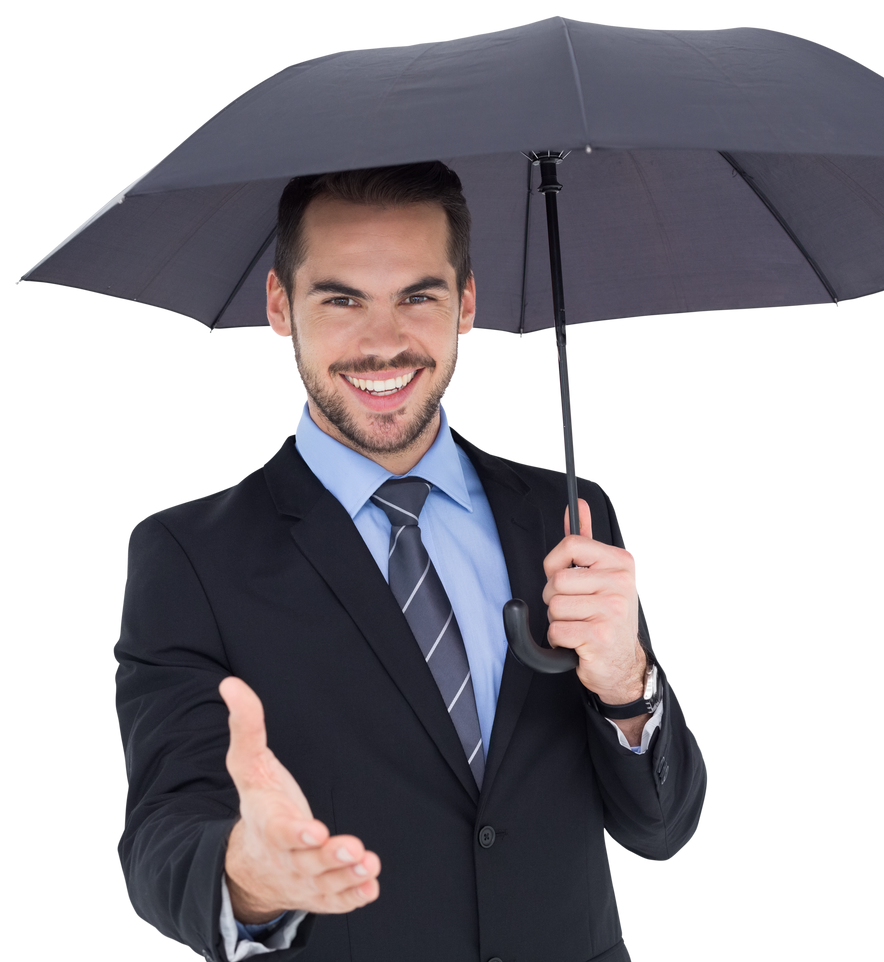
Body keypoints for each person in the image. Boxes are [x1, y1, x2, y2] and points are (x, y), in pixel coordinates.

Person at [113, 162, 708, 962]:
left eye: (417, 296)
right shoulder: (188, 556)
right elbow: (160, 833)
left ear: (466, 302)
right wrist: (248, 875)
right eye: (342, 298)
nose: (384, 343)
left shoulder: (569, 516)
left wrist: (625, 686)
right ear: (281, 306)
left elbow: (662, 831)